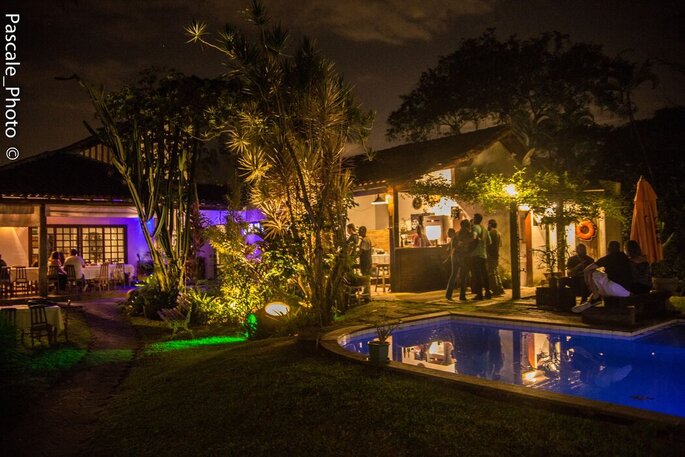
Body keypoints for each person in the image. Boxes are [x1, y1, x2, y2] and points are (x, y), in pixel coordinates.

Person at [572, 241, 632, 313]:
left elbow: (587, 270)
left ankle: (595, 297)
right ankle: (591, 300)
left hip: (615, 289)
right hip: (627, 291)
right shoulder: (625, 257)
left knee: (592, 273)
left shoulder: (608, 258)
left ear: (608, 249)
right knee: (602, 281)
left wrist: (588, 283)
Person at [470, 213, 491, 300]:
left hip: (475, 254)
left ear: (475, 219)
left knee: (477, 275)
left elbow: (474, 237)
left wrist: (471, 243)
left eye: (473, 218)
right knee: (485, 274)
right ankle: (487, 292)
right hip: (483, 254)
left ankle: (479, 294)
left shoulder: (475, 227)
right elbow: (489, 242)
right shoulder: (484, 229)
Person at [486, 219, 504, 296]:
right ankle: (500, 288)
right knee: (496, 272)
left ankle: (495, 289)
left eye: (488, 224)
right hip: (496, 254)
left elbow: (488, 244)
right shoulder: (498, 233)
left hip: (491, 255)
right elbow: (500, 245)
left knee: (491, 273)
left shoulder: (490, 233)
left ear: (490, 225)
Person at [358, 226, 373, 299]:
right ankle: (366, 293)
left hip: (365, 261)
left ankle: (367, 294)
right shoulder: (367, 239)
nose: (358, 232)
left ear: (363, 231)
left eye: (359, 231)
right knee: (367, 276)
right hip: (368, 260)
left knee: (366, 277)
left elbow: (361, 252)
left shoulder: (365, 240)